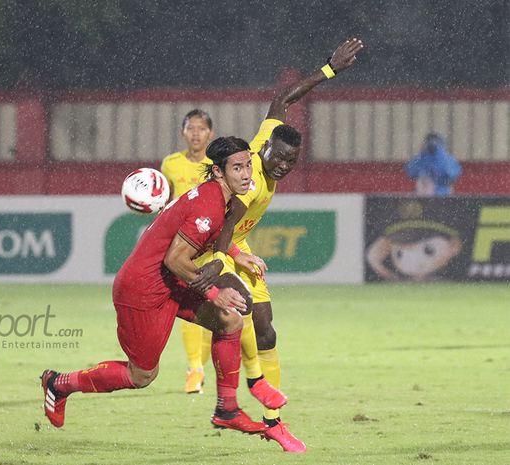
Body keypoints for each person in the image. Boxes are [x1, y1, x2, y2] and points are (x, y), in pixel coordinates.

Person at [41, 137, 289, 435]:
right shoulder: (210, 205)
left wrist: (238, 254)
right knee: (142, 375)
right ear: (219, 172)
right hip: (142, 289)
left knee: (230, 321)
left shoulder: (221, 198)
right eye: (238, 168)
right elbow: (175, 259)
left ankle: (227, 408)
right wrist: (214, 293)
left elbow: (214, 234)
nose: (247, 174)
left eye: (248, 165)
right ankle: (59, 383)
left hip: (169, 283)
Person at [191, 37, 364, 453]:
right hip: (210, 244)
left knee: (266, 329)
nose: (284, 167)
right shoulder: (246, 184)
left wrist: (328, 70)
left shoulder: (270, 137)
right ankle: (250, 386)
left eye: (291, 162)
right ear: (263, 150)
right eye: (279, 160)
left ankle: (273, 421)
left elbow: (282, 98)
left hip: (235, 243)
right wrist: (231, 258)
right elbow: (222, 230)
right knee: (243, 309)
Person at [160, 109, 215, 394]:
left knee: (216, 307)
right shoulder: (170, 164)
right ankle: (195, 369)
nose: (195, 133)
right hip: (182, 246)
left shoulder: (217, 165)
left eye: (201, 128)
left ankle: (199, 367)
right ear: (183, 132)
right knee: (191, 302)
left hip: (212, 245)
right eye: (191, 128)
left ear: (210, 134)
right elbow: (165, 201)